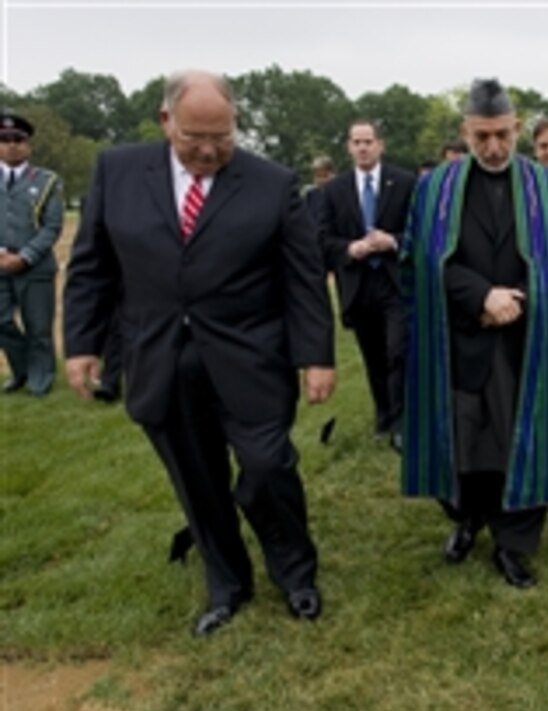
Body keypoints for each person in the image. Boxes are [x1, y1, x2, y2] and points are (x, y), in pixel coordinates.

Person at [64, 70, 336, 636]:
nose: (210, 150)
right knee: (197, 478)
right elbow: (94, 264)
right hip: (159, 357)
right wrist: (83, 344)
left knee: (266, 467)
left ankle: (295, 573)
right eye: (194, 138)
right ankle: (227, 582)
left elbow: (303, 278)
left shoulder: (272, 183)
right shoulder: (117, 172)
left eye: (223, 136)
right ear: (166, 122)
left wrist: (317, 356)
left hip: (251, 358)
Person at [400, 78, 548, 588]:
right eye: (481, 136)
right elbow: (418, 260)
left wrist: (517, 297)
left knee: (525, 439)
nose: (493, 148)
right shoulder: (433, 190)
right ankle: (468, 520)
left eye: (502, 135)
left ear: (517, 127)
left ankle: (515, 543)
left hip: (529, 341)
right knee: (464, 438)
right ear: (465, 131)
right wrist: (479, 298)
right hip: (459, 337)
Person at [316, 119, 415, 448]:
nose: (362, 147)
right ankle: (384, 417)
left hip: (394, 281)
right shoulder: (333, 191)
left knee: (397, 350)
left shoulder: (404, 183)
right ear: (348, 146)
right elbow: (321, 239)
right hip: (357, 284)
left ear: (380, 145)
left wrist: (394, 241)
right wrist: (348, 248)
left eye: (368, 141)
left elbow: (421, 232)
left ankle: (402, 423)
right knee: (373, 354)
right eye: (356, 142)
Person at [0, 111, 64, 396]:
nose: (11, 144)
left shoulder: (48, 181)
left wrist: (24, 256)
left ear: (28, 145)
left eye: (18, 139)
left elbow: (52, 227)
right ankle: (23, 369)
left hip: (35, 267)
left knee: (39, 328)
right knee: (1, 322)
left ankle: (41, 378)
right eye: (4, 139)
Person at [303, 155, 336, 220]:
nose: (321, 180)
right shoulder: (311, 195)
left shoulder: (340, 194)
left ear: (333, 174)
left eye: (325, 176)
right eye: (318, 176)